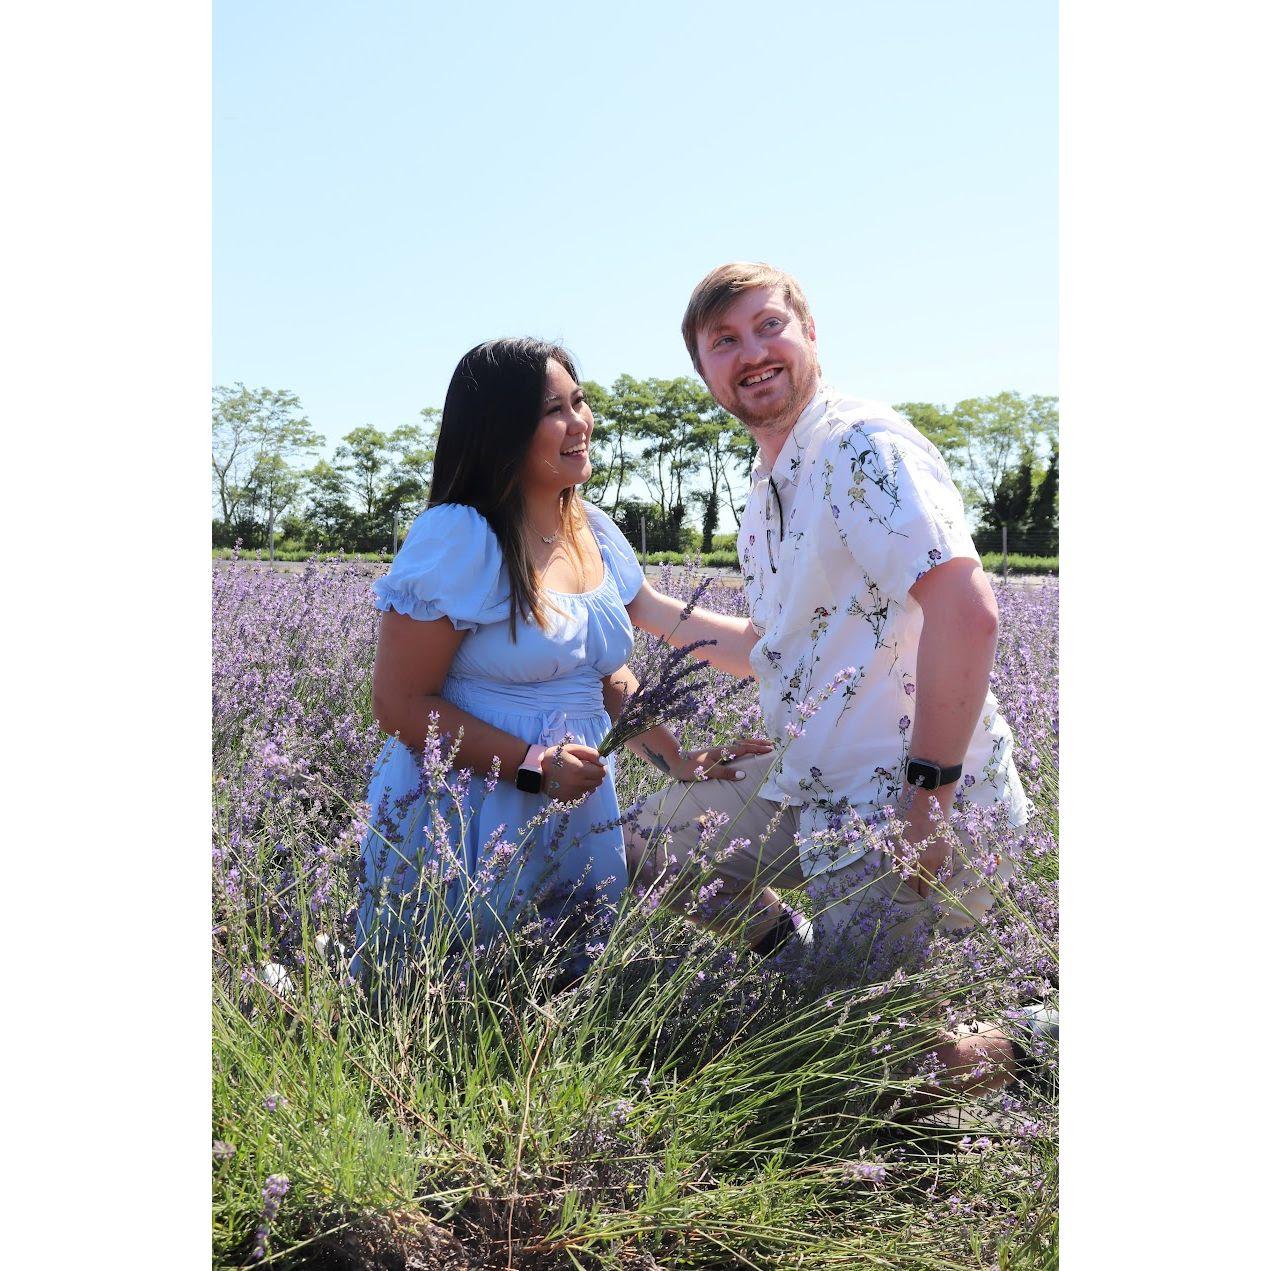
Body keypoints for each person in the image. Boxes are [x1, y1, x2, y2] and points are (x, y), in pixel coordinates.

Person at [625, 262, 1038, 1085]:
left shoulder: (860, 449)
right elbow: (775, 644)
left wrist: (927, 801)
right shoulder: (769, 480)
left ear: (809, 334)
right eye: (723, 342)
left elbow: (966, 609)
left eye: (767, 326)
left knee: (875, 1068)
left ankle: (1037, 1039)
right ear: (705, 372)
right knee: (638, 843)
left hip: (907, 796)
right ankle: (808, 967)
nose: (751, 352)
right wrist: (636, 602)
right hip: (813, 786)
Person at [352, 337, 768, 982]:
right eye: (554, 411)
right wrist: (533, 768)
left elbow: (608, 670)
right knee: (447, 995)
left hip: (578, 805)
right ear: (501, 428)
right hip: (468, 808)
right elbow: (400, 702)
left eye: (580, 402)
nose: (579, 424)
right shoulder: (463, 535)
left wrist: (678, 758)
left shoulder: (594, 529)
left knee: (562, 993)